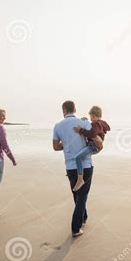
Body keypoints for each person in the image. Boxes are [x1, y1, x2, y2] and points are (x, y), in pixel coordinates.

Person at [53, 100, 94, 237]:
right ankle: (75, 228)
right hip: (86, 164)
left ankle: (84, 217)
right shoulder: (84, 123)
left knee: (77, 195)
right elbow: (94, 138)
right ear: (75, 109)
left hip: (70, 166)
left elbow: (55, 147)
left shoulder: (58, 126)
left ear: (63, 110)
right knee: (82, 197)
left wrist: (66, 144)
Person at [72, 105, 110, 191]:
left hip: (93, 146)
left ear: (93, 115)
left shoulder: (96, 123)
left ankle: (80, 179)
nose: (91, 119)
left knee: (77, 157)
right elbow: (94, 130)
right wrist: (86, 122)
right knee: (80, 155)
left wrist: (80, 130)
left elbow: (92, 133)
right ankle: (80, 171)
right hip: (94, 146)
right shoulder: (101, 123)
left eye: (90, 117)